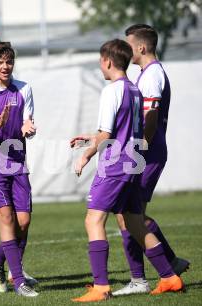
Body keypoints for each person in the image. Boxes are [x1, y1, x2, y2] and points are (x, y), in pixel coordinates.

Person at [70, 39, 184, 302]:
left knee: (93, 220)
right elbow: (124, 130)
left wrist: (86, 155)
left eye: (100, 60)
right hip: (133, 163)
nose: (101, 65)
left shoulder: (111, 91)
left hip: (115, 164)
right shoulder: (134, 89)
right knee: (134, 221)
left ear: (107, 61)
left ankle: (101, 287)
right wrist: (91, 138)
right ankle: (169, 277)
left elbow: (107, 134)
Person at [112, 24, 190, 296]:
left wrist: (141, 146)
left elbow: (151, 114)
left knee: (128, 215)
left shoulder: (152, 75)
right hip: (146, 151)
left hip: (148, 152)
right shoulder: (146, 73)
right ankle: (170, 262)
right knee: (132, 214)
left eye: (128, 44)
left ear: (141, 47)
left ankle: (140, 279)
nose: (125, 49)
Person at [0, 42, 38, 297]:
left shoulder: (24, 89)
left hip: (18, 163)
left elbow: (28, 121)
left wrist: (29, 129)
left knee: (23, 222)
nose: (5, 67)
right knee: (6, 219)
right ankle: (19, 280)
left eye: (9, 62)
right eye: (0, 62)